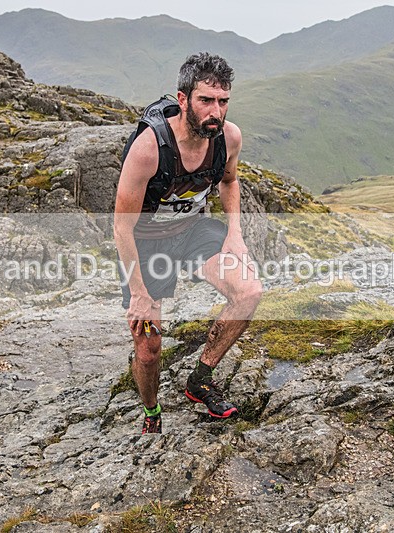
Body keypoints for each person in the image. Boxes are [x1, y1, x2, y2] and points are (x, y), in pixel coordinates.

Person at [114, 52, 263, 434]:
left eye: (223, 101)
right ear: (183, 100)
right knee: (148, 351)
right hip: (148, 243)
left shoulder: (229, 138)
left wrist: (234, 234)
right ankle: (151, 411)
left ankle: (200, 379)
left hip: (193, 231)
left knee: (248, 292)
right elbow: (121, 225)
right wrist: (138, 291)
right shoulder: (149, 149)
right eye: (206, 101)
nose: (216, 111)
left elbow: (229, 182)